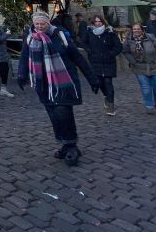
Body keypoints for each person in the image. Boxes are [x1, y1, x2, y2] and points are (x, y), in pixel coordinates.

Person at [17, 12, 98, 167]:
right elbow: (24, 56)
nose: (39, 27)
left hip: (63, 82)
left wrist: (92, 78)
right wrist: (22, 74)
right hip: (44, 84)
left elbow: (77, 57)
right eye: (37, 24)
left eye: (43, 24)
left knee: (64, 113)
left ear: (48, 23)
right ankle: (65, 144)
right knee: (54, 114)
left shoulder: (59, 36)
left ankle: (72, 145)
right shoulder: (30, 38)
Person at [82, 14, 122, 116]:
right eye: (96, 22)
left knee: (108, 81)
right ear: (93, 23)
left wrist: (111, 53)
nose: (98, 23)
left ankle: (111, 106)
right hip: (95, 61)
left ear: (103, 22)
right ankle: (106, 96)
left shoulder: (109, 32)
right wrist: (89, 51)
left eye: (100, 21)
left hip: (108, 61)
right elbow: (84, 43)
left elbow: (118, 46)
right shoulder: (89, 32)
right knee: (99, 82)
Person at [122, 22, 156, 114]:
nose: (136, 31)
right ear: (132, 30)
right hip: (139, 67)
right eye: (134, 29)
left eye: (138, 29)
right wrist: (132, 61)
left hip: (154, 65)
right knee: (146, 87)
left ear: (142, 30)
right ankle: (149, 105)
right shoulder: (129, 40)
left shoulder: (150, 37)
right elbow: (125, 51)